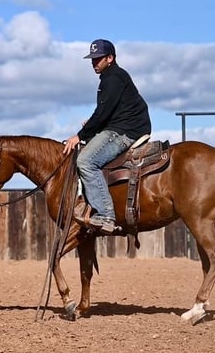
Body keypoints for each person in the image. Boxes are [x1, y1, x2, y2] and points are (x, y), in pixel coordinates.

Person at [63, 39, 151, 234]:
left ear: (110, 58)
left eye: (98, 59)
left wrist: (80, 135)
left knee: (85, 161)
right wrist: (95, 126)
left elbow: (103, 112)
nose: (94, 63)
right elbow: (106, 112)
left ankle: (105, 216)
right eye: (92, 59)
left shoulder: (113, 78)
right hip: (123, 126)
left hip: (125, 131)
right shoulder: (110, 77)